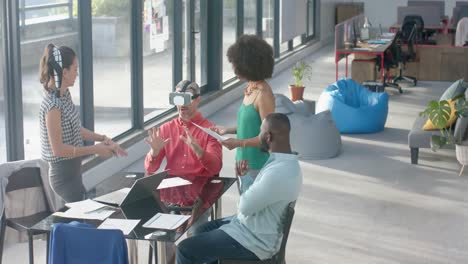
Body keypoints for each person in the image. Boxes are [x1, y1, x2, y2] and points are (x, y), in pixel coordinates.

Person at [176, 113, 302, 264]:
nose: (258, 136)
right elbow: (256, 199)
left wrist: (246, 185)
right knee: (200, 230)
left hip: (253, 240)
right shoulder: (288, 164)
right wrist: (245, 178)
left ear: (268, 137)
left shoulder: (278, 172)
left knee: (185, 249)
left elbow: (244, 207)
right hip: (258, 226)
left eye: (260, 132)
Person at [39, 44, 127, 203]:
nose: (77, 74)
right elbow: (58, 149)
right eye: (75, 69)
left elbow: (76, 129)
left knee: (84, 217)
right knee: (82, 220)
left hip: (73, 173)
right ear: (64, 72)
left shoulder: (64, 95)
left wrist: (103, 138)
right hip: (63, 179)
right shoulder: (52, 106)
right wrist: (95, 149)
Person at [144, 80, 223, 229]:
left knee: (194, 237)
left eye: (188, 98)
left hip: (199, 196)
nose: (182, 104)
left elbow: (216, 167)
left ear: (198, 100)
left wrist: (199, 151)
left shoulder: (209, 130)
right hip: (172, 195)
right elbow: (151, 169)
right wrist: (154, 154)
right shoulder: (166, 128)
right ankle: (171, 251)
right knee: (161, 234)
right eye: (178, 99)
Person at [211, 34, 275, 193]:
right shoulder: (250, 88)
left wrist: (238, 143)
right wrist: (227, 130)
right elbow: (250, 126)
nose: (233, 69)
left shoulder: (263, 95)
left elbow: (268, 138)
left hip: (257, 166)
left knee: (252, 213)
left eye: (235, 64)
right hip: (243, 163)